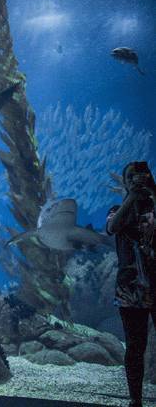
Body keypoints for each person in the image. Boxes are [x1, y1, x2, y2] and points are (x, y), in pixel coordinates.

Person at [106, 161, 156, 407]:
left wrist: (153, 193)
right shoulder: (118, 208)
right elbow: (112, 227)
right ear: (124, 183)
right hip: (130, 291)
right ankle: (135, 400)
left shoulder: (154, 208)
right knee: (136, 346)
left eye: (141, 176)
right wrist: (131, 197)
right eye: (130, 177)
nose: (136, 179)